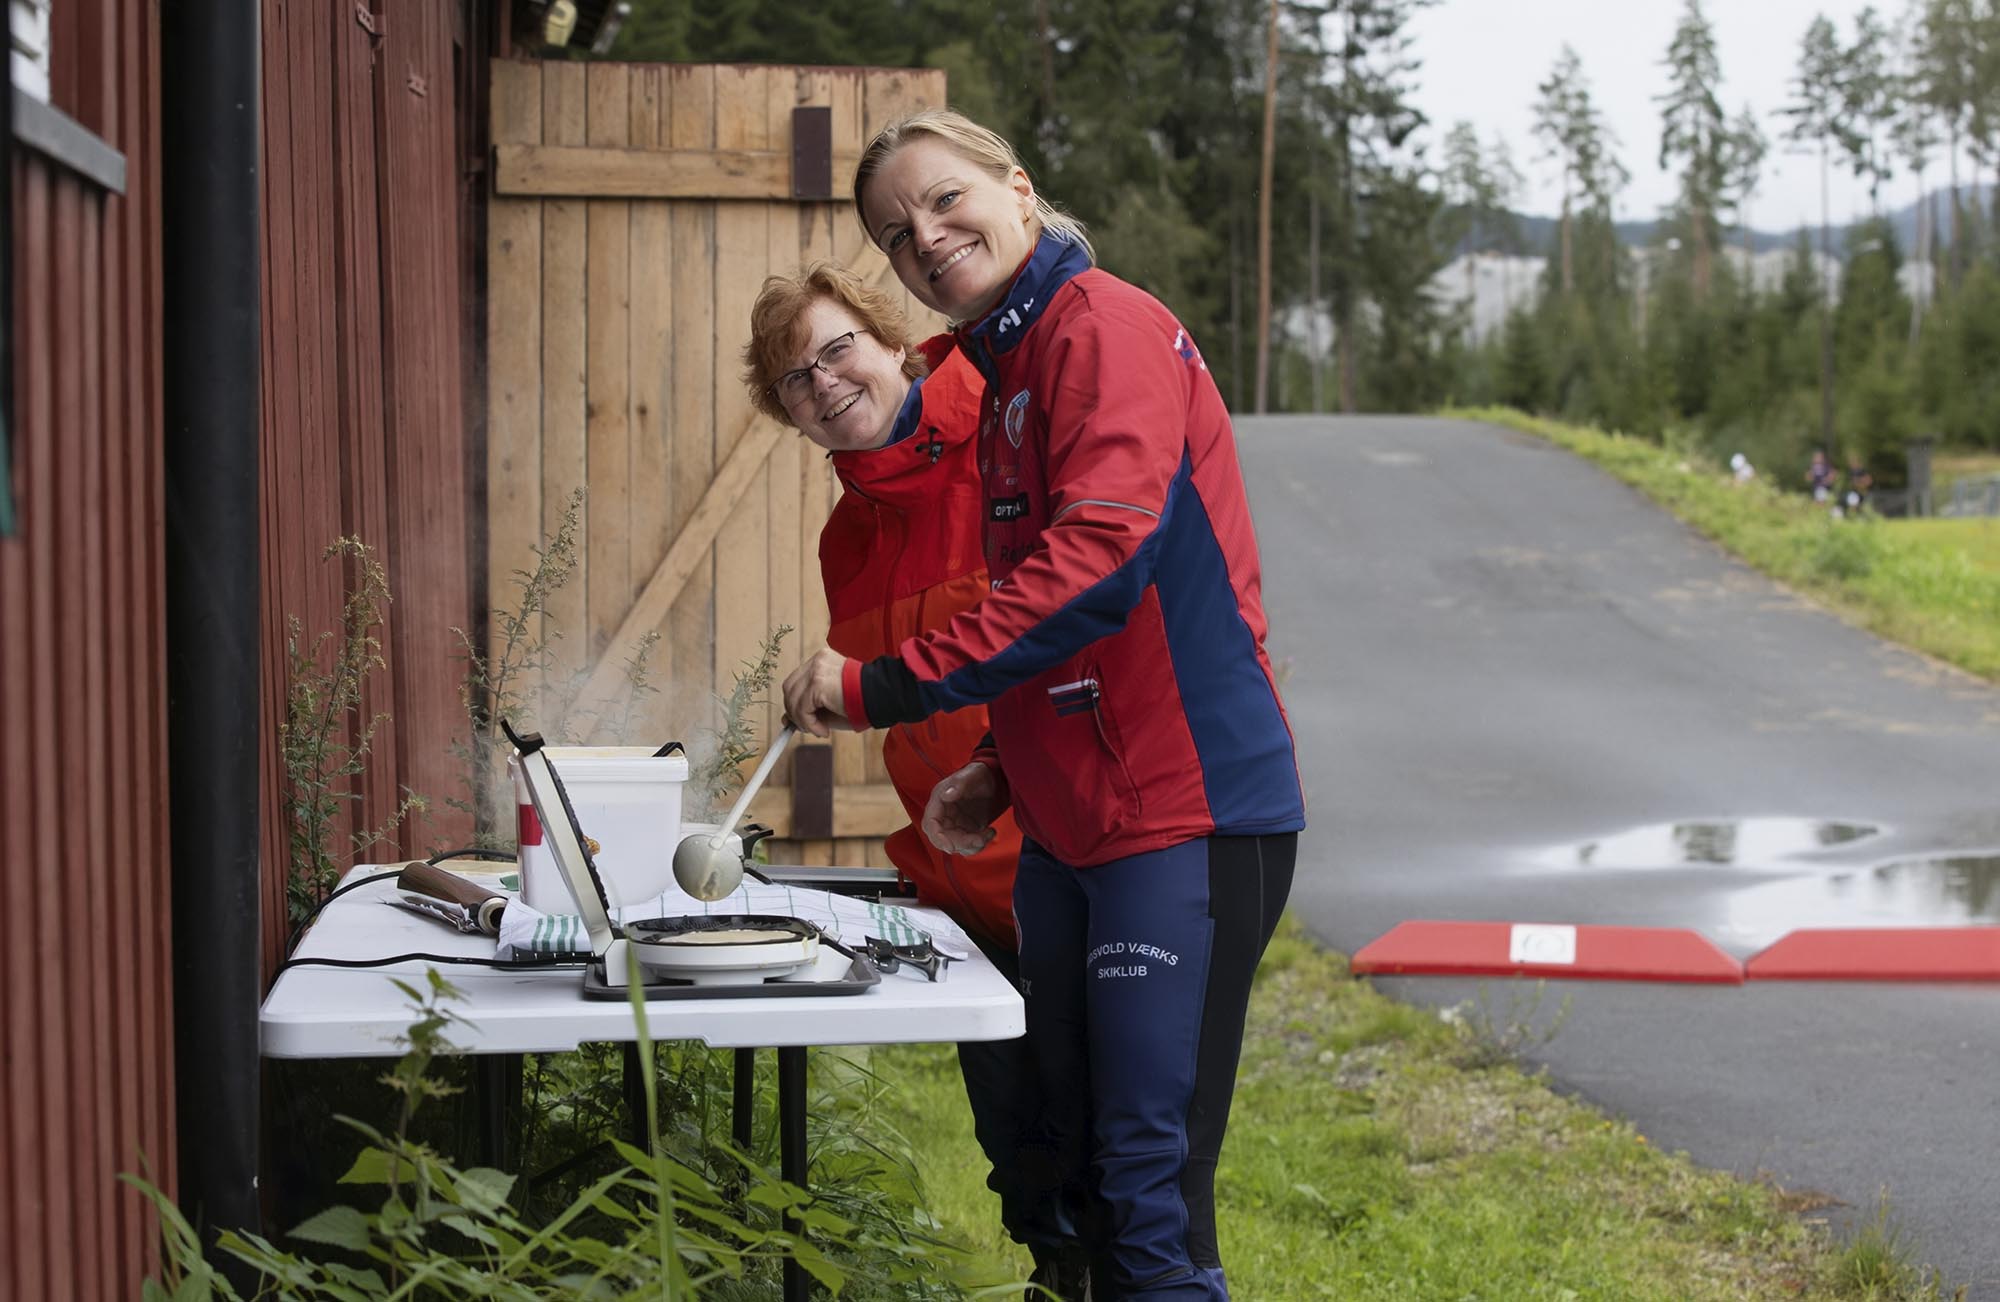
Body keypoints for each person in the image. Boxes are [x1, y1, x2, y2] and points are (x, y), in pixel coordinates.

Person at [781, 109, 1304, 1301]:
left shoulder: (1103, 328)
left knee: (1143, 1191)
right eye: (895, 232)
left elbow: (1101, 566)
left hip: (1184, 811)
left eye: (944, 200)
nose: (925, 237)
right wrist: (1002, 771)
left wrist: (878, 686)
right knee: (1078, 1183)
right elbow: (1064, 622)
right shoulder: (1013, 369)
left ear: (1017, 190)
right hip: (1070, 832)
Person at [738, 262, 1085, 1284]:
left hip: (1073, 878)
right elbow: (911, 701)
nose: (825, 381)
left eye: (838, 346)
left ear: (893, 342)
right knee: (1024, 1170)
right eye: (796, 380)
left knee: (1117, 1171)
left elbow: (1066, 630)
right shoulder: (846, 536)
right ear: (793, 418)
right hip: (964, 901)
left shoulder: (1006, 441)